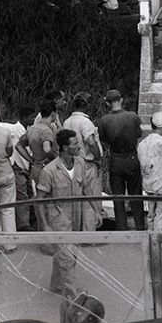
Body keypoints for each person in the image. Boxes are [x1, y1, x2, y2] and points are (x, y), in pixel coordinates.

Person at [36, 129, 100, 323]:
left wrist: (96, 209)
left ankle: (56, 284)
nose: (79, 146)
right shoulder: (50, 171)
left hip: (77, 220)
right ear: (64, 147)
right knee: (68, 260)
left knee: (66, 256)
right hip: (58, 222)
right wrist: (44, 226)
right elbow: (39, 201)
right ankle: (76, 306)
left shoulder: (80, 162)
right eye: (75, 144)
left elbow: (87, 188)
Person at [97, 89, 145, 230]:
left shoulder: (104, 120)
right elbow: (138, 134)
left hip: (116, 159)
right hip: (131, 157)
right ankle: (140, 226)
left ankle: (121, 227)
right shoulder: (132, 116)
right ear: (121, 100)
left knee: (118, 197)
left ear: (107, 103)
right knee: (136, 194)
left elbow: (104, 139)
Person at [63, 92, 103, 230]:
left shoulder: (67, 121)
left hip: (73, 163)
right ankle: (89, 233)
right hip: (87, 163)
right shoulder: (86, 122)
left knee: (76, 199)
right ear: (86, 106)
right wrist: (98, 157)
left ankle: (77, 231)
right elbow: (90, 141)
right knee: (90, 200)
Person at [5, 106, 35, 231]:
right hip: (18, 166)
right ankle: (23, 225)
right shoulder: (14, 129)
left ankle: (30, 221)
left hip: (27, 167)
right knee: (21, 196)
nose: (33, 119)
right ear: (24, 118)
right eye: (31, 117)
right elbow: (1, 126)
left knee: (30, 194)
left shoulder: (29, 130)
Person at [0, 103, 17, 253]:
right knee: (8, 209)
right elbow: (9, 152)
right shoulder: (5, 132)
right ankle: (9, 244)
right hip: (5, 173)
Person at [26, 100, 59, 192]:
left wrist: (31, 159)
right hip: (47, 167)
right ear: (53, 113)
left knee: (40, 196)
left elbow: (19, 145)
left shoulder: (32, 128)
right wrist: (56, 159)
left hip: (37, 166)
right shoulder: (46, 130)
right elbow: (47, 149)